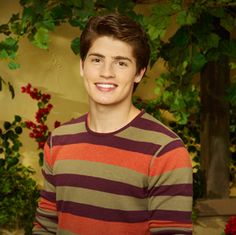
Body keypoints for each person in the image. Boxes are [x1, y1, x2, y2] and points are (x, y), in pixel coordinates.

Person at [33, 14, 193, 235]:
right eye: (96, 59)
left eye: (121, 63)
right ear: (82, 66)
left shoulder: (165, 151)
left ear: (139, 73)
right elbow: (45, 227)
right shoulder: (59, 140)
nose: (106, 72)